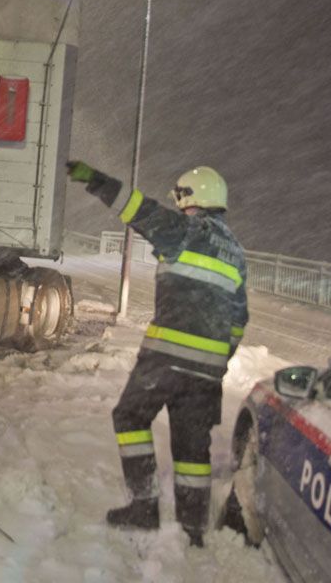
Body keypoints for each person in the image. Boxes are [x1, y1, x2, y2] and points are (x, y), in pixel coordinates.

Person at [66, 162, 249, 546]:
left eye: (181, 198)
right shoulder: (236, 253)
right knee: (191, 445)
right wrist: (217, 359)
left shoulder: (184, 231)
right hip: (208, 372)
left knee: (129, 417)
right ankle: (194, 528)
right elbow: (238, 319)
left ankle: (144, 506)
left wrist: (97, 181)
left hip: (165, 359)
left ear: (190, 199)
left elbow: (138, 209)